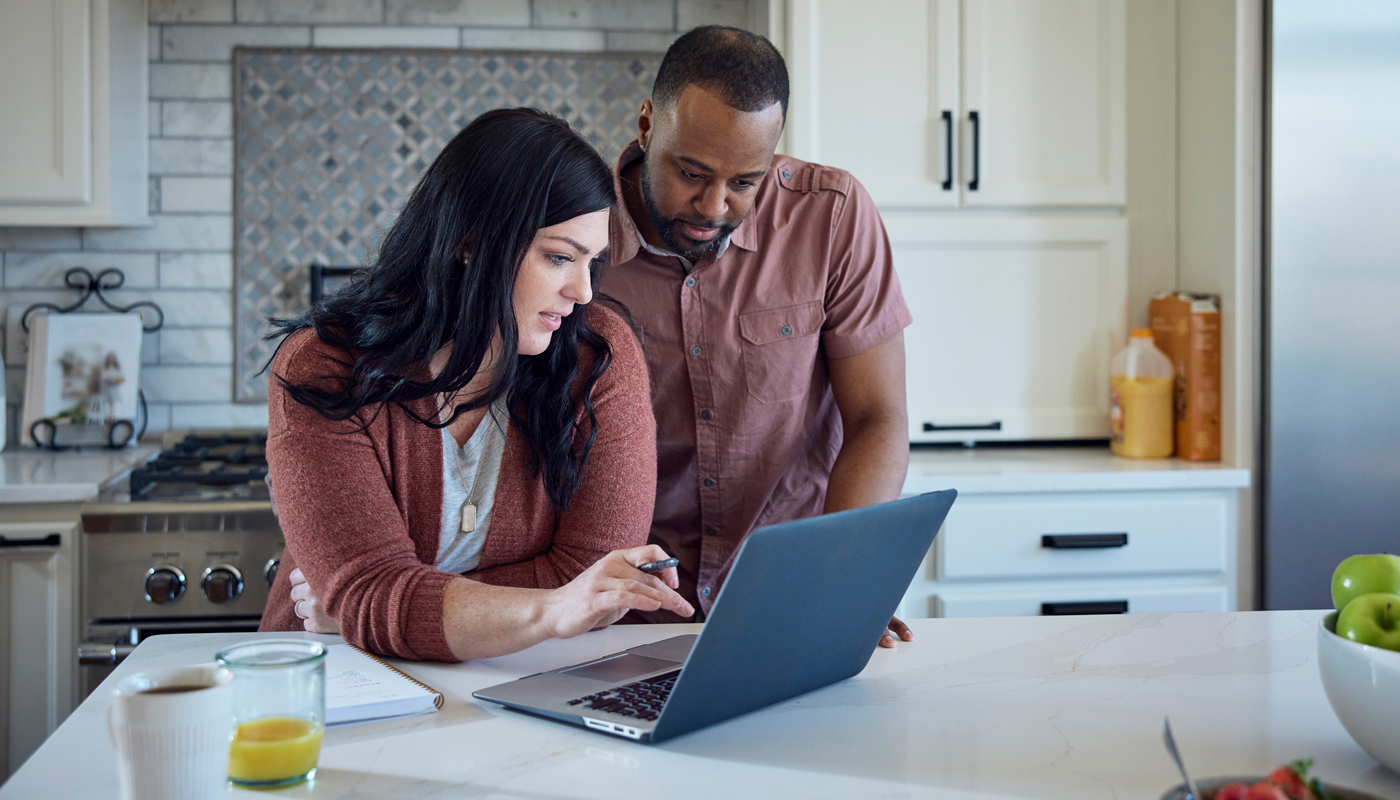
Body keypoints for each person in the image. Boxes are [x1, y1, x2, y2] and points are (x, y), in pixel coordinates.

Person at [260, 108, 693, 662]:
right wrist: (376, 601)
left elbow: (594, 579)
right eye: (559, 257)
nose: (584, 292)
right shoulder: (324, 368)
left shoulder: (599, 356)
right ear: (470, 238)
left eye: (593, 262)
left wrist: (390, 604)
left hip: (522, 681)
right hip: (335, 686)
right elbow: (373, 594)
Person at [602, 27, 915, 646]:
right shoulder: (577, 233)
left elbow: (879, 417)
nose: (714, 205)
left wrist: (842, 577)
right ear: (646, 124)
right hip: (621, 614)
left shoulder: (832, 215)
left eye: (745, 181)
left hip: (787, 602)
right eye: (691, 172)